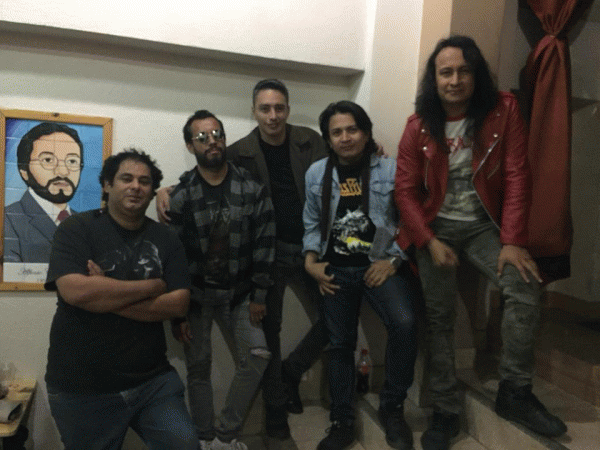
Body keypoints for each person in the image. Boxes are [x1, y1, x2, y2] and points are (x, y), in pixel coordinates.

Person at [395, 35, 568, 450]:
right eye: (446, 72)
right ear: (434, 79)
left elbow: (517, 174)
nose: (455, 80)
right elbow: (404, 191)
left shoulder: (503, 111)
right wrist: (428, 240)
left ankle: (515, 391)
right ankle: (445, 408)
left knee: (524, 285)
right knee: (438, 316)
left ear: (475, 75)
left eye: (464, 71)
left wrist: (513, 240)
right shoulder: (418, 125)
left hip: (483, 225)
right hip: (436, 227)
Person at [157, 79, 330, 439]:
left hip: (301, 255)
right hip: (231, 276)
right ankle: (251, 426)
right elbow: (202, 181)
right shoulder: (230, 159)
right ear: (254, 112)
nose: (273, 115)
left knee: (323, 326)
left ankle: (275, 387)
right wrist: (164, 190)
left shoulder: (305, 144)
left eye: (279, 107)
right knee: (236, 352)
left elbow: (342, 159)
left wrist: (373, 150)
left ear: (287, 109)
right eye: (265, 108)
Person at [44, 149, 198, 450]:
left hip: (153, 382)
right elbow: (76, 292)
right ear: (107, 185)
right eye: (126, 179)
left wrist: (105, 292)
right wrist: (154, 285)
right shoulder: (76, 229)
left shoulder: (167, 238)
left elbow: (179, 303)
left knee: (185, 444)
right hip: (82, 387)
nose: (135, 186)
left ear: (152, 191)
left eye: (144, 181)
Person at [304, 101, 419, 450]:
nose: (345, 138)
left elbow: (410, 220)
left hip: (378, 265)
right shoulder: (316, 173)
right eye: (336, 132)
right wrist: (310, 262)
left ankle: (392, 408)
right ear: (328, 138)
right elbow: (311, 222)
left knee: (405, 324)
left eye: (352, 129)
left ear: (366, 133)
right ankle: (342, 420)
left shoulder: (391, 169)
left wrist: (394, 260)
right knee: (339, 344)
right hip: (335, 270)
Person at [168, 110, 276, 450]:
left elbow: (265, 242)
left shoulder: (250, 188)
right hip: (196, 298)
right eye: (202, 137)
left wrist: (259, 294)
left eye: (217, 134)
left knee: (258, 354)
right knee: (198, 368)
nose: (212, 141)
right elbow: (173, 259)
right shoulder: (182, 195)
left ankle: (226, 436)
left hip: (240, 294)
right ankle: (204, 438)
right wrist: (178, 313)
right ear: (190, 146)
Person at [4, 122, 83, 263]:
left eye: (72, 161)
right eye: (48, 160)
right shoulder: (7, 219)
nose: (63, 171)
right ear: (24, 171)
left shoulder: (85, 223)